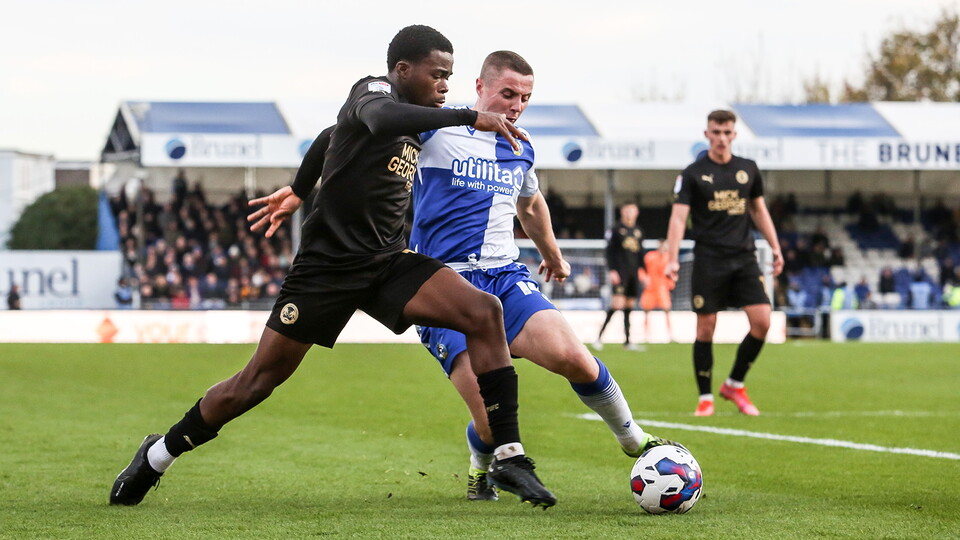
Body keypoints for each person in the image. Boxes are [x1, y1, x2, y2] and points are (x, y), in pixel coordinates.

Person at [110, 25, 555, 509]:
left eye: (450, 75)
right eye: (438, 74)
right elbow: (377, 118)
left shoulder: (419, 116)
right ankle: (157, 455)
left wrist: (300, 190)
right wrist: (472, 115)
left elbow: (328, 137)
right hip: (327, 270)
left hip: (386, 262)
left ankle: (509, 456)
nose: (445, 84)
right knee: (256, 383)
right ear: (404, 70)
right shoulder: (374, 92)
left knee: (483, 311)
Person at [247, 50, 682, 503]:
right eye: (508, 93)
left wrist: (553, 255)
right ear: (479, 87)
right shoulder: (434, 126)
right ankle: (483, 463)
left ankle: (635, 442)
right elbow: (339, 135)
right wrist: (301, 191)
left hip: (505, 275)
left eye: (525, 98)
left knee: (574, 358)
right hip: (442, 284)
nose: (516, 105)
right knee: (489, 414)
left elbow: (530, 205)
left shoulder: (522, 146)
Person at [665, 109, 783, 417]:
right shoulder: (692, 173)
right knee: (706, 327)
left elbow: (759, 210)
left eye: (727, 132)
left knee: (763, 322)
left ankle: (734, 384)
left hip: (744, 257)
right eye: (716, 132)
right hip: (709, 258)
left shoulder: (748, 169)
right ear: (707, 134)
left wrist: (775, 246)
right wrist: (672, 259)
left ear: (734, 135)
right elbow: (679, 218)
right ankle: (705, 398)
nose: (721, 138)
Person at [595, 203, 645, 350]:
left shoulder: (638, 231)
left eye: (633, 210)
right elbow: (609, 252)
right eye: (627, 210)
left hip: (633, 274)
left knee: (629, 305)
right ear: (622, 212)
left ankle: (628, 342)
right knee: (616, 304)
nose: (630, 213)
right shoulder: (615, 229)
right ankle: (599, 338)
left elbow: (641, 254)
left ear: (636, 212)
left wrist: (644, 271)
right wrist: (612, 270)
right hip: (620, 272)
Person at [637, 241, 674, 342]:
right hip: (651, 288)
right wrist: (644, 278)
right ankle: (645, 334)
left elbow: (672, 275)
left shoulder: (668, 258)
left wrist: (670, 285)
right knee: (646, 311)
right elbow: (641, 269)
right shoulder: (650, 257)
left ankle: (670, 334)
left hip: (662, 288)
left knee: (666, 310)